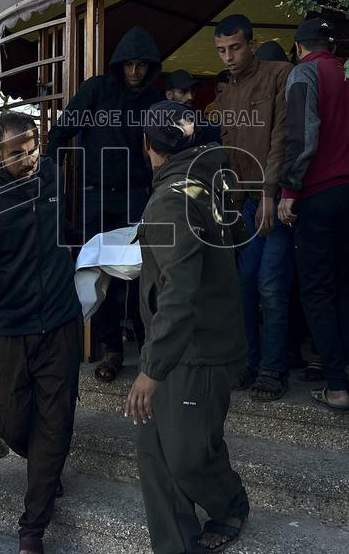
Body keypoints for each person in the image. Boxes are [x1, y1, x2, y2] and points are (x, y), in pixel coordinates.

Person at [0, 112, 82, 554]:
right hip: (8, 332)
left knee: (57, 419)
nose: (29, 159)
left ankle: (32, 532)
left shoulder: (48, 173)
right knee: (12, 423)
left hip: (61, 323)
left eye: (33, 148)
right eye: (17, 153)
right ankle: (46, 462)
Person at [126, 101, 250, 554]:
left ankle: (231, 503)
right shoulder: (204, 183)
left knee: (185, 456)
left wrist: (152, 368)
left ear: (147, 145)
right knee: (154, 455)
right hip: (177, 343)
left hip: (194, 351)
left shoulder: (172, 198)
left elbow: (180, 292)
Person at [47, 25, 163, 383]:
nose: (134, 72)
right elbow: (59, 133)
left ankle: (148, 351)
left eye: (142, 65)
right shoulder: (96, 89)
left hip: (137, 195)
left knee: (143, 274)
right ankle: (111, 349)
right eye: (128, 65)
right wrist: (52, 188)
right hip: (94, 195)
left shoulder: (154, 99)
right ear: (118, 64)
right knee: (97, 272)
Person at [278, 18, 349, 413]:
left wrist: (289, 190)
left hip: (319, 193)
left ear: (299, 46)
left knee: (316, 290)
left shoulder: (304, 73)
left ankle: (335, 385)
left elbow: (301, 134)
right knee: (340, 286)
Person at [213, 14, 295, 399]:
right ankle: (249, 362)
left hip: (276, 198)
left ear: (251, 42)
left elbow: (282, 135)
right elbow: (230, 151)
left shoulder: (280, 73)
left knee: (270, 285)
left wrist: (268, 193)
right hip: (243, 201)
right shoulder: (226, 92)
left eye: (235, 48)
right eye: (222, 51)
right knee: (242, 284)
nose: (228, 57)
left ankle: (273, 370)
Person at [163, 69, 221, 145]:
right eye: (183, 91)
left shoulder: (206, 126)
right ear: (169, 95)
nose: (190, 97)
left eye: (193, 91)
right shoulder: (156, 123)